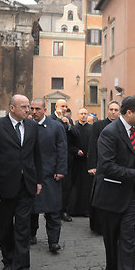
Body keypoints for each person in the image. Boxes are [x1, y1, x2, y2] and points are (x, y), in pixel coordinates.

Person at [93, 95, 135, 270]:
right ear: (129, 113)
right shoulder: (109, 133)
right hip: (111, 194)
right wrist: (134, 174)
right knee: (111, 238)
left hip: (131, 196)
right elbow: (106, 167)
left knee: (127, 238)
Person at [0, 95, 43, 270]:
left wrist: (38, 181)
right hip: (3, 187)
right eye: (24, 107)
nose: (28, 110)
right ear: (12, 108)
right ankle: (8, 261)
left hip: (27, 186)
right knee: (6, 227)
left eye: (29, 106)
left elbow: (36, 155)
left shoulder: (32, 126)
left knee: (23, 227)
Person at [29, 98, 67, 253]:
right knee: (31, 209)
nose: (34, 112)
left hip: (50, 174)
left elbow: (62, 149)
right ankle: (31, 235)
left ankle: (53, 241)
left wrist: (61, 170)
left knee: (52, 209)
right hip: (31, 175)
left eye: (38, 109)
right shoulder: (26, 126)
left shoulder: (56, 127)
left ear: (45, 110)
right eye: (32, 109)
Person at [87, 100, 121, 233]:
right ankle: (98, 226)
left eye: (116, 110)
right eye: (111, 109)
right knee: (99, 196)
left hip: (116, 167)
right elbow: (92, 146)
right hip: (100, 167)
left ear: (119, 112)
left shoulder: (122, 126)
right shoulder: (98, 125)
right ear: (108, 110)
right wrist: (91, 165)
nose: (113, 112)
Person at [51, 99, 74, 223]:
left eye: (66, 106)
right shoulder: (50, 119)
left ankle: (63, 211)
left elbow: (76, 135)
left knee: (66, 188)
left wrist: (69, 125)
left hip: (66, 159)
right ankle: (52, 211)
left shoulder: (69, 120)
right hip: (52, 160)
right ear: (56, 107)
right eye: (62, 106)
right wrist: (59, 121)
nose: (64, 109)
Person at [68, 107, 93, 216]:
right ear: (78, 115)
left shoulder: (92, 128)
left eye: (85, 113)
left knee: (87, 187)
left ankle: (86, 210)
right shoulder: (74, 128)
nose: (83, 115)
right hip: (76, 162)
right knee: (76, 186)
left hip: (88, 162)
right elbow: (69, 144)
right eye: (81, 113)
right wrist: (76, 151)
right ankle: (75, 210)